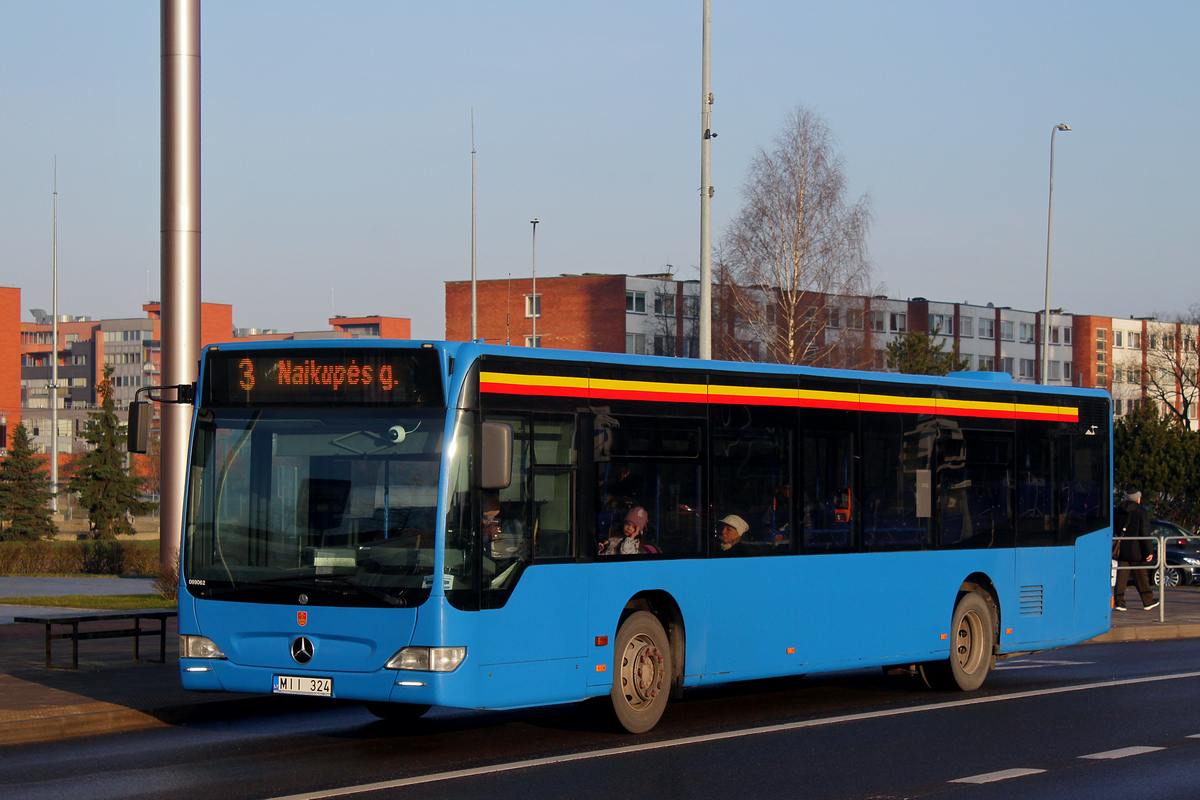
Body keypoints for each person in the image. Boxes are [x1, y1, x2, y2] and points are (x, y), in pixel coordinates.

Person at [1113, 490, 1159, 611]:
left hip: (1122, 549)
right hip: (1136, 550)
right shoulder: (1141, 512)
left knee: (1122, 576)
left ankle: (1119, 602)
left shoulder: (1118, 510)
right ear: (1138, 499)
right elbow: (1145, 532)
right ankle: (1148, 601)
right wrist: (1149, 551)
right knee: (1141, 576)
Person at [481, 495, 526, 560]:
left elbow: (510, 547)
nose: (482, 502)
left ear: (497, 502)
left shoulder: (511, 522)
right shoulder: (473, 519)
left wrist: (488, 536)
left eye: (485, 500)